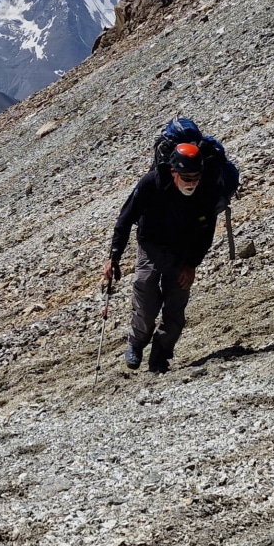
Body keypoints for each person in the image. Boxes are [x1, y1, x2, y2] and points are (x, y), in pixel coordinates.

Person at [104, 140, 224, 373]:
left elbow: (207, 232)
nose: (192, 183)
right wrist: (114, 256)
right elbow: (125, 218)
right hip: (151, 246)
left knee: (175, 308)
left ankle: (159, 359)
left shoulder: (207, 190)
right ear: (173, 171)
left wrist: (192, 264)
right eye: (187, 178)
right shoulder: (151, 184)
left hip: (183, 252)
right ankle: (136, 345)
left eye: (196, 177)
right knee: (146, 295)